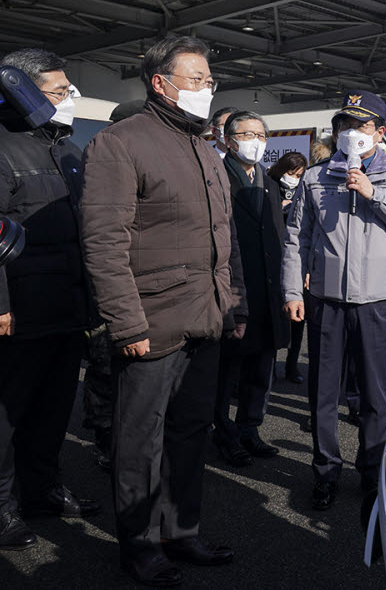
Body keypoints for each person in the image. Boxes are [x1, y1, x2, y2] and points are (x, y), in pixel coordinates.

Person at [79, 36, 247, 586]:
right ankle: (140, 544)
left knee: (190, 432)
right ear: (161, 83)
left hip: (206, 316)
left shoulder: (204, 149)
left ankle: (182, 531)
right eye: (196, 80)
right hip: (151, 322)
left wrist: (233, 303)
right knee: (140, 440)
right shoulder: (120, 144)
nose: (206, 90)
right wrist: (125, 322)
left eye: (209, 82)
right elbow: (104, 242)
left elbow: (226, 236)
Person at [281, 91, 386, 517]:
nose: (351, 133)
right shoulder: (314, 177)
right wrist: (293, 290)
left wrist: (370, 193)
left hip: (376, 303)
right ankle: (325, 471)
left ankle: (370, 475)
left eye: (362, 126)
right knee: (323, 394)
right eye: (344, 125)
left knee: (374, 396)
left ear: (380, 133)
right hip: (325, 300)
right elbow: (297, 239)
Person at [0, 48, 100, 551]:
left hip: (67, 306)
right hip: (17, 309)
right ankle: (1, 507)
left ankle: (41, 490)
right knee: (8, 414)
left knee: (54, 409)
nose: (69, 100)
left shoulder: (67, 149)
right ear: (20, 89)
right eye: (60, 92)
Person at [212, 111, 290, 468]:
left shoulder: (269, 182)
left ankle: (250, 428)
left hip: (268, 287)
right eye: (246, 134)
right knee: (227, 367)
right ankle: (223, 431)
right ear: (229, 139)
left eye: (260, 135)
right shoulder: (215, 176)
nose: (255, 141)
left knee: (261, 364)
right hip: (233, 285)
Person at [83, 99, 148, 474]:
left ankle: (118, 438)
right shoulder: (106, 159)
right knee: (105, 368)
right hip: (109, 289)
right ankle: (105, 441)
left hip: (136, 286)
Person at [268, 151, 308, 384]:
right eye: (291, 173)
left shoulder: (304, 189)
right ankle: (271, 368)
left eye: (298, 174)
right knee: (274, 319)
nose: (293, 178)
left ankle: (292, 368)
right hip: (275, 258)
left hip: (295, 261)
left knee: (297, 322)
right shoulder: (270, 185)